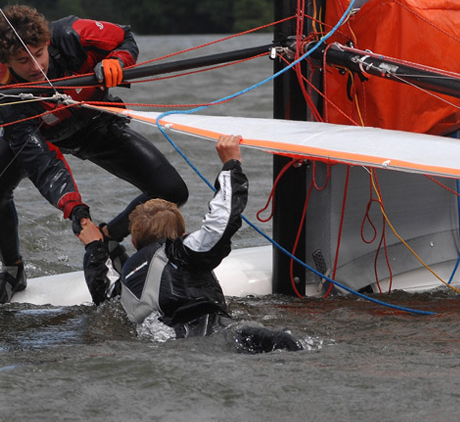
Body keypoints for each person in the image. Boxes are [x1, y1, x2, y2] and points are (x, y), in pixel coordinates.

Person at [0, 4, 189, 304]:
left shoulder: (72, 33)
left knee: (172, 190)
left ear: (47, 42)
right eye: (22, 61)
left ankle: (111, 236)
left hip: (92, 122)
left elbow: (125, 38)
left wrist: (118, 59)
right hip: (39, 132)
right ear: (6, 61)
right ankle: (13, 270)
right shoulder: (7, 91)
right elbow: (44, 164)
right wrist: (76, 211)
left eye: (38, 54)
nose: (35, 66)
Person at [79, 134, 301, 354]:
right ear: (182, 234)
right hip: (219, 334)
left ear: (135, 243)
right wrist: (231, 164)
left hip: (170, 343)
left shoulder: (126, 282)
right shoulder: (181, 252)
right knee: (284, 342)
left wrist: (95, 246)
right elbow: (222, 222)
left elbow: (102, 287)